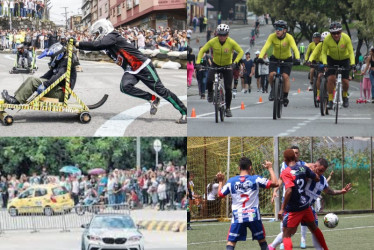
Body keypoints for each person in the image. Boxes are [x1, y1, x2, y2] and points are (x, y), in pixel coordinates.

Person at [73, 19, 187, 123]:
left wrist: (77, 43)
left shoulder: (113, 36)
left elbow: (97, 45)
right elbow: (95, 46)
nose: (96, 36)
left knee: (162, 91)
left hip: (143, 66)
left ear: (103, 29)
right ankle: (152, 99)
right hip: (131, 69)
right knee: (125, 87)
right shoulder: (108, 41)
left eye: (97, 33)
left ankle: (184, 112)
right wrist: (77, 46)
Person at [216, 157, 279, 250]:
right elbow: (275, 183)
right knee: (262, 241)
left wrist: (221, 181)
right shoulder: (255, 179)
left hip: (238, 216)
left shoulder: (231, 181)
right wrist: (270, 168)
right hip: (253, 215)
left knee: (231, 242)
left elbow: (220, 195)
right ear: (250, 167)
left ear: (239, 168)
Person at [278, 149, 329, 250]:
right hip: (305, 205)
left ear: (285, 159)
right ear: (294, 157)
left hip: (295, 207)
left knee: (286, 234)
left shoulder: (286, 172)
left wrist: (282, 209)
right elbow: (317, 178)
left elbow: (288, 191)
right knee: (314, 228)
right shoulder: (303, 168)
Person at [2, 42, 78, 104]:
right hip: (57, 89)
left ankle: (16, 101)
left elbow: (58, 76)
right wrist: (39, 81)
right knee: (32, 79)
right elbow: (47, 75)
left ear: (58, 55)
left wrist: (44, 85)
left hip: (61, 93)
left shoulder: (66, 63)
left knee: (32, 81)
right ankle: (15, 98)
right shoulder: (60, 62)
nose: (51, 59)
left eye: (51, 57)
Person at [195, 24, 244, 117]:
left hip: (227, 66)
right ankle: (210, 93)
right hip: (215, 64)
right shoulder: (213, 41)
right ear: (217, 34)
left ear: (228, 35)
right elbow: (202, 50)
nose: (221, 37)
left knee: (228, 88)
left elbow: (241, 51)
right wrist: (197, 63)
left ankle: (228, 108)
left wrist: (235, 63)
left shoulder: (231, 42)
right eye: (220, 35)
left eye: (224, 35)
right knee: (209, 80)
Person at [269, 145, 306, 250]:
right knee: (284, 222)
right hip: (287, 197)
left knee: (304, 221)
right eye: (293, 152)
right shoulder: (284, 165)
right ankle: (282, 241)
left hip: (300, 198)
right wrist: (275, 190)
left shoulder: (303, 165)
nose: (295, 154)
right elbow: (281, 178)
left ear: (299, 154)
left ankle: (303, 239)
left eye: (297, 153)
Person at [258, 20, 300, 106]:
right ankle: (273, 90)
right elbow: (265, 47)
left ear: (285, 30)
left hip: (287, 59)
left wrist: (297, 58)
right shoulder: (272, 37)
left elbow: (295, 48)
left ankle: (285, 96)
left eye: (280, 29)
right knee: (271, 75)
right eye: (276, 28)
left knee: (285, 76)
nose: (277, 30)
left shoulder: (289, 37)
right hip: (275, 58)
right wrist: (260, 57)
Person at [321, 21, 355, 109]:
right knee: (331, 78)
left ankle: (345, 97)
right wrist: (325, 63)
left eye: (338, 33)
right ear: (331, 33)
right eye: (333, 33)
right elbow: (324, 53)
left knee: (345, 81)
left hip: (345, 59)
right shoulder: (327, 39)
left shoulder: (346, 38)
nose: (336, 35)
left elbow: (351, 52)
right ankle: (330, 100)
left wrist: (353, 64)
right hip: (332, 59)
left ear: (341, 32)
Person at [307, 31, 329, 103]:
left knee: (332, 77)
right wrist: (309, 60)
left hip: (330, 63)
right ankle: (318, 94)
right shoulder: (318, 45)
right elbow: (313, 53)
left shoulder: (331, 45)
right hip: (319, 62)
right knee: (317, 74)